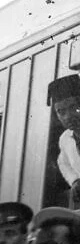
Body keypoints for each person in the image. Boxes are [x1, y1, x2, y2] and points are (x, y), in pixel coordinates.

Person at [49, 75, 80, 208]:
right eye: (61, 112)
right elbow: (63, 162)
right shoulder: (65, 138)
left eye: (74, 107)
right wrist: (74, 180)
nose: (68, 116)